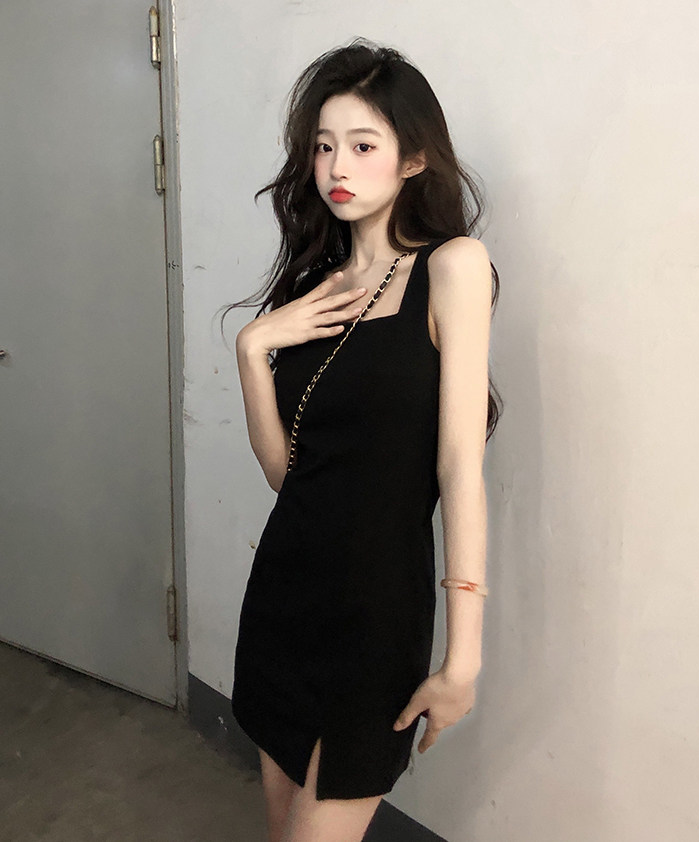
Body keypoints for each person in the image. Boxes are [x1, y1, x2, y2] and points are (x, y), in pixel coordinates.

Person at [219, 38, 502, 842]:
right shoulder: (317, 289)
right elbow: (287, 476)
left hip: (377, 615)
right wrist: (251, 349)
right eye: (323, 146)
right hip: (284, 598)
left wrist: (463, 657)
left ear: (413, 159)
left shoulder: (452, 267)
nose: (336, 166)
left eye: (363, 145)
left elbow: (460, 467)